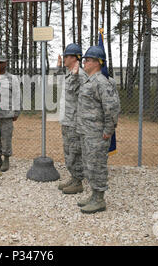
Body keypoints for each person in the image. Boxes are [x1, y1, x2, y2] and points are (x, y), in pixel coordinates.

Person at [72, 45, 120, 214]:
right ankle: (94, 195)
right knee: (89, 165)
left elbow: (112, 108)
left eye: (89, 60)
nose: (85, 62)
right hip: (86, 132)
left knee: (97, 165)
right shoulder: (88, 80)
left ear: (98, 63)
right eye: (85, 59)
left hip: (98, 134)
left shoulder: (102, 82)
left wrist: (108, 130)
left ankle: (99, 199)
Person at [56, 43, 88, 195]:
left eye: (66, 56)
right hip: (67, 120)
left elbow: (84, 97)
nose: (64, 58)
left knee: (75, 151)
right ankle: (73, 176)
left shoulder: (79, 75)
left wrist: (75, 77)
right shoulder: (70, 74)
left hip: (74, 121)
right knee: (68, 151)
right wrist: (59, 69)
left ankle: (78, 181)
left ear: (73, 58)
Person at [0, 54, 21, 172]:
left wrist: (16, 112)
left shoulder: (12, 78)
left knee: (6, 137)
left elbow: (17, 95)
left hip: (7, 114)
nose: (0, 64)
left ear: (6, 63)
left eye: (2, 62)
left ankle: (6, 159)